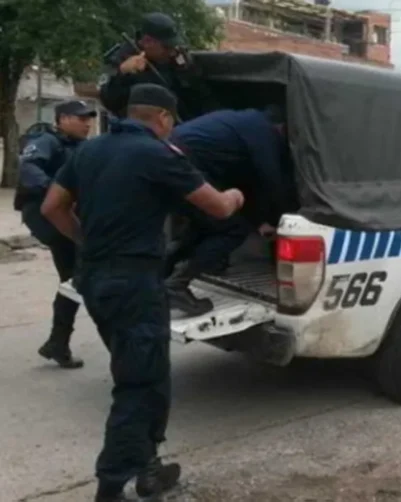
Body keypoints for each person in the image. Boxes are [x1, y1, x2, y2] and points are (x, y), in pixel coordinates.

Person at [40, 83, 245, 502]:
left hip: (94, 281)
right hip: (133, 285)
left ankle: (149, 468)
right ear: (165, 118)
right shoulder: (160, 155)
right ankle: (111, 485)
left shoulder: (90, 151)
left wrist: (87, 243)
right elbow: (218, 208)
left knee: (144, 374)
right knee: (139, 384)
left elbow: (52, 208)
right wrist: (238, 194)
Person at [164, 106, 292, 315]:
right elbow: (271, 180)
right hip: (185, 164)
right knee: (233, 229)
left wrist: (260, 218)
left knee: (204, 225)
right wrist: (283, 219)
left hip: (171, 161)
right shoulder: (264, 133)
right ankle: (176, 285)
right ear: (285, 129)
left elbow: (249, 182)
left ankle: (163, 274)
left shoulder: (246, 122)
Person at [13, 100, 97, 369]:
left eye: (89, 119)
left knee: (72, 277)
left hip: (66, 213)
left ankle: (57, 342)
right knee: (76, 273)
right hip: (43, 213)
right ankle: (58, 342)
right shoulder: (47, 141)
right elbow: (28, 170)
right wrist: (55, 192)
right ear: (61, 119)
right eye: (80, 118)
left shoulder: (83, 147)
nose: (87, 123)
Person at [98, 12, 216, 121]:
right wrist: (122, 75)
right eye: (166, 47)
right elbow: (110, 101)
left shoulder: (177, 58)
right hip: (142, 130)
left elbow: (201, 97)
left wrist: (187, 71)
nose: (171, 52)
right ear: (147, 41)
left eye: (173, 46)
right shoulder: (122, 59)